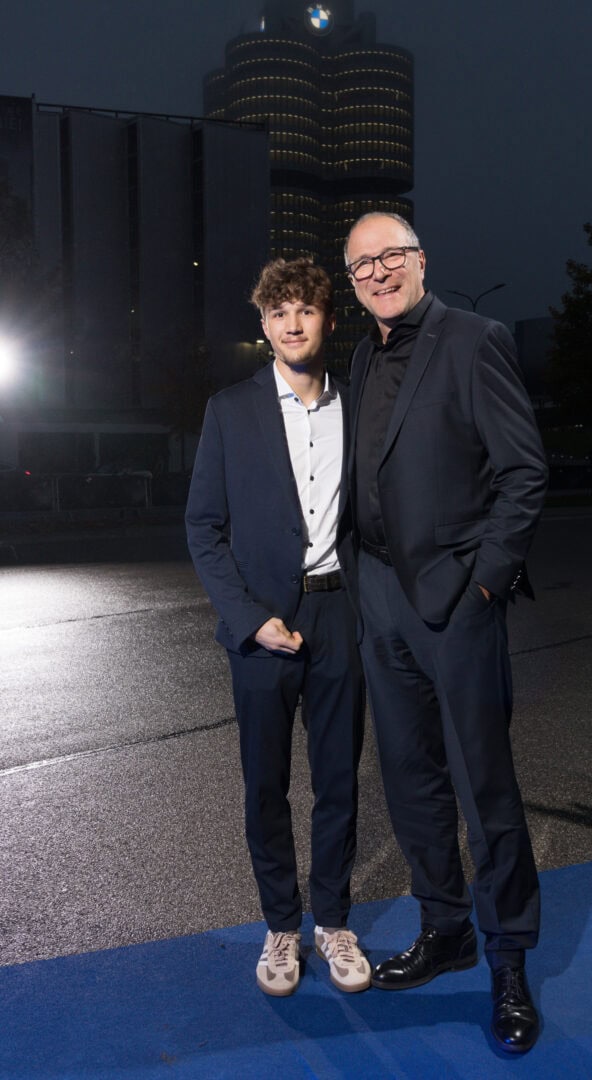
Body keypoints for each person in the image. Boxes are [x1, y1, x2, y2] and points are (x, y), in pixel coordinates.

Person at [344, 212, 548, 1053]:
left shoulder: (474, 338)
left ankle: (507, 962)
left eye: (392, 256)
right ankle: (446, 930)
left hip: (457, 602)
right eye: (363, 265)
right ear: (353, 283)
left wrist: (486, 584)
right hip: (380, 595)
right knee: (411, 783)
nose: (380, 272)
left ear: (422, 260)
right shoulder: (362, 355)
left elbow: (524, 471)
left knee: (483, 790)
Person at [185, 258, 370, 997]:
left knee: (339, 782)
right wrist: (249, 619)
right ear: (263, 327)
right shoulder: (230, 410)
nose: (293, 322)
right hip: (262, 622)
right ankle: (281, 927)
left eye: (307, 309)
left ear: (328, 319)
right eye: (279, 311)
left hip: (338, 613)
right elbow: (203, 527)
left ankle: (332, 921)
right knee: (266, 786)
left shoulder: (356, 408)